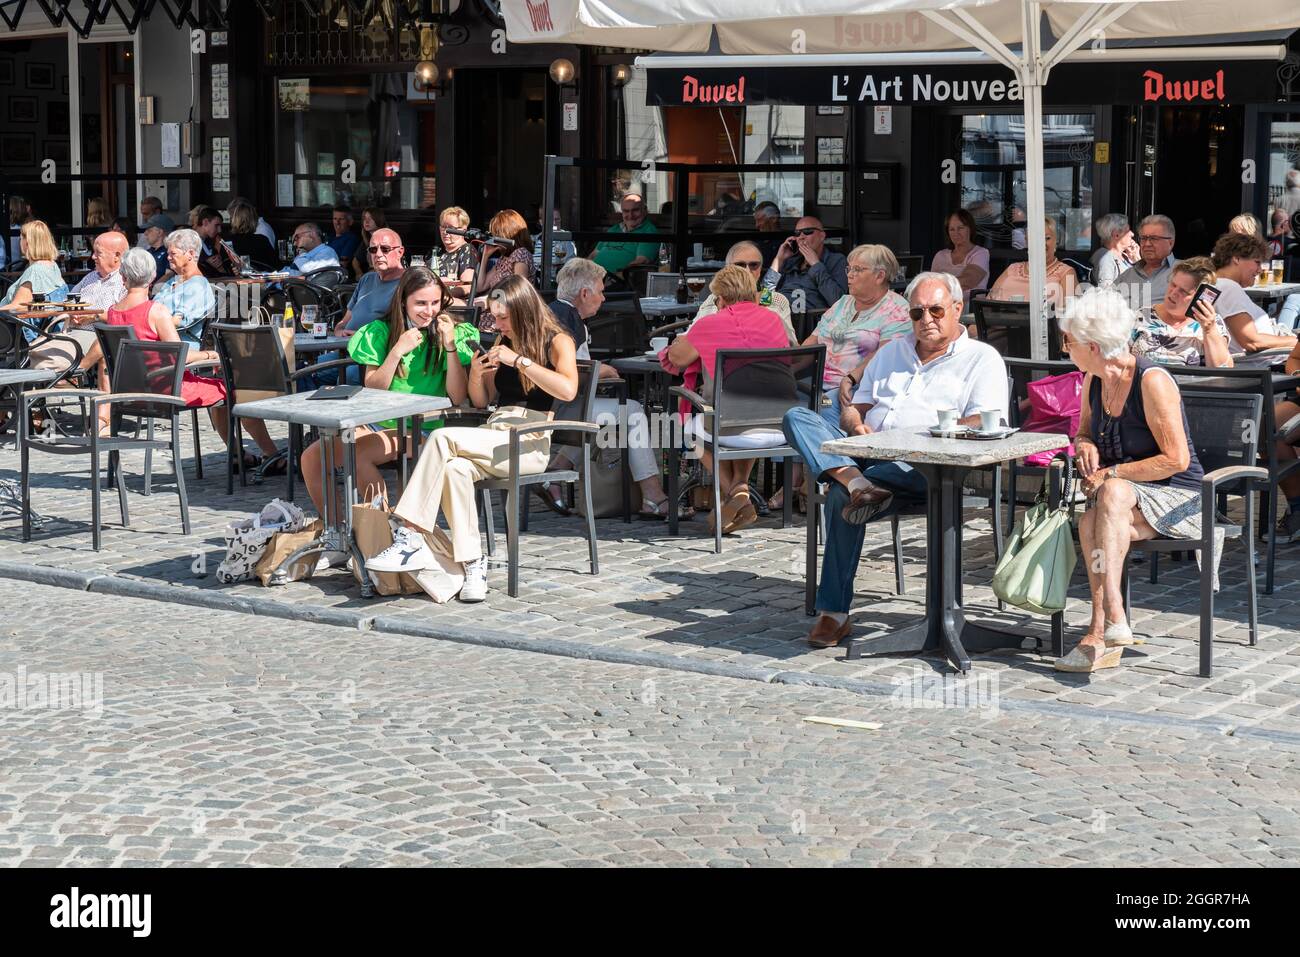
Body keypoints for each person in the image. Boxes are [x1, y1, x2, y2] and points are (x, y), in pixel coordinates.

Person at [781, 272, 1008, 649]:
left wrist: (927, 435)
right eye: (917, 313)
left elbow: (985, 421)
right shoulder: (892, 351)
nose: (926, 320)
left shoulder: (980, 359)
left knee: (840, 497)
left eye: (935, 310)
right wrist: (854, 422)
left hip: (926, 465)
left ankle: (833, 613)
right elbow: (857, 408)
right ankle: (857, 482)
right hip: (866, 454)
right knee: (798, 418)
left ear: (957, 308)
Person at [366, 276, 581, 602]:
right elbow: (481, 402)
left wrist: (520, 362)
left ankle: (409, 532)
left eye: (503, 317)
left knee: (440, 438)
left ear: (523, 310)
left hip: (530, 438)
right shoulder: (502, 342)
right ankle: (473, 566)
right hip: (494, 431)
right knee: (455, 470)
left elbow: (567, 389)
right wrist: (479, 375)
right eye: (494, 316)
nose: (497, 324)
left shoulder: (557, 340)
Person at [1055, 287, 1209, 673]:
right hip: (1121, 505)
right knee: (1092, 519)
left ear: (1091, 345)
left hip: (1180, 499)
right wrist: (1085, 444)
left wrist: (1111, 472)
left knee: (1110, 494)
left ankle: (1105, 620)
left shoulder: (1151, 380)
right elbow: (1084, 433)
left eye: (1067, 341)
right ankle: (1105, 625)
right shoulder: (1093, 380)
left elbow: (1176, 459)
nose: (1064, 349)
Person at [301, 268, 480, 565]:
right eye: (421, 304)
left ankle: (381, 538)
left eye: (435, 303)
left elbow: (458, 397)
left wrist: (448, 346)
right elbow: (374, 388)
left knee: (357, 455)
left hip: (426, 426)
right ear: (404, 302)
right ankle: (340, 534)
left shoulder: (453, 333)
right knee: (311, 457)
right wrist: (396, 351)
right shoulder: (381, 332)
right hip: (379, 421)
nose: (430, 311)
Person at [95, 248, 277, 462]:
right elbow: (181, 355)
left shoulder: (114, 312)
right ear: (153, 277)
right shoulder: (155, 311)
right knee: (233, 389)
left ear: (123, 276)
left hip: (132, 391)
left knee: (220, 389)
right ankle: (268, 453)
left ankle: (239, 454)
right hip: (167, 389)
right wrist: (212, 355)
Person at [661, 265, 792, 536]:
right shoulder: (773, 320)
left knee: (692, 426)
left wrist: (677, 344)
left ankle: (731, 491)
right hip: (780, 427)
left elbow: (676, 359)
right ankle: (741, 488)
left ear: (719, 298)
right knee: (747, 410)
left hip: (730, 427)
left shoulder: (708, 324)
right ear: (753, 295)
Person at [539, 257, 674, 518]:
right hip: (559, 409)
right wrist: (602, 371)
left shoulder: (554, 311)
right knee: (632, 412)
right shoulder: (569, 320)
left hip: (547, 406)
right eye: (600, 292)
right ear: (584, 293)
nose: (603, 299)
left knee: (603, 417)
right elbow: (574, 370)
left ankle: (554, 474)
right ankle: (654, 495)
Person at [805, 244, 913, 431]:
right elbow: (811, 344)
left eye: (858, 269)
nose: (849, 275)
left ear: (879, 276)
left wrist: (851, 378)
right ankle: (798, 461)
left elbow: (884, 354)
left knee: (820, 407)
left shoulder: (897, 309)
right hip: (815, 383)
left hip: (857, 388)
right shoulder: (843, 303)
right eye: (849, 269)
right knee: (780, 401)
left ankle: (835, 459)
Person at [27, 231, 130, 375]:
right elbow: (69, 300)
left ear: (117, 256)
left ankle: (62, 384)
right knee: (36, 349)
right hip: (69, 331)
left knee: (51, 358)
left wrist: (92, 317)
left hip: (97, 336)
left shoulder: (124, 281)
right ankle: (54, 386)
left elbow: (126, 317)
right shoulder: (90, 277)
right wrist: (71, 311)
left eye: (98, 253)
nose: (92, 257)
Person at [1131, 257, 1232, 369]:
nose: (1173, 293)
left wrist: (1209, 329)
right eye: (1173, 285)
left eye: (1183, 291)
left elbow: (1224, 368)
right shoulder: (1141, 316)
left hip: (1195, 385)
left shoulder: (1212, 323)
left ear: (1200, 297)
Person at [691, 242, 797, 346]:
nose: (747, 271)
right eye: (740, 265)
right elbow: (689, 336)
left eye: (754, 265)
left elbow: (792, 345)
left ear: (760, 268)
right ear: (727, 269)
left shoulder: (772, 298)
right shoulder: (715, 298)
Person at [1210, 231, 1297, 355]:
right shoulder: (1228, 288)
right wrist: (1295, 341)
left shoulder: (1220, 284)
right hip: (1265, 366)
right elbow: (1251, 341)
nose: (1260, 270)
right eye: (1257, 262)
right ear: (1236, 258)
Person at [762, 215, 849, 313]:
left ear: (822, 236)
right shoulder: (790, 262)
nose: (801, 237)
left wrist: (816, 265)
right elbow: (765, 298)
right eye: (797, 233)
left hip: (811, 323)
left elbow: (838, 302)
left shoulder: (836, 260)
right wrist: (779, 259)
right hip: (780, 319)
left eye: (808, 232)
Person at [988, 217, 1078, 311]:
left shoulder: (1066, 272)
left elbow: (1068, 315)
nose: (1041, 243)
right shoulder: (1012, 268)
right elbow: (988, 303)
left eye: (1047, 238)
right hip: (999, 324)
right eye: (1035, 238)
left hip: (1043, 326)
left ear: (1056, 242)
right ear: (1027, 242)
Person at [151, 229, 216, 345]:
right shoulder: (172, 282)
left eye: (173, 253)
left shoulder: (198, 285)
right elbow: (152, 308)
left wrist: (147, 326)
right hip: (158, 343)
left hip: (179, 349)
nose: (168, 258)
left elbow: (178, 321)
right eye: (168, 253)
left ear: (190, 254)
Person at [336, 228, 405, 335]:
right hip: (344, 345)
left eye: (385, 249)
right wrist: (339, 331)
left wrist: (360, 337)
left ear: (400, 252)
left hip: (375, 350)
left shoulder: (408, 283)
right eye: (373, 250)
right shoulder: (366, 279)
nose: (378, 254)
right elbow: (344, 322)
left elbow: (404, 331)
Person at [0, 221, 67, 324]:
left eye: (21, 238)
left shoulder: (35, 271)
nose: (19, 241)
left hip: (12, 332)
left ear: (27, 242)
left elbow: (18, 307)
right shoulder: (52, 266)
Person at [590, 192, 659, 284]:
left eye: (635, 210)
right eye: (626, 211)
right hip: (591, 278)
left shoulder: (649, 231)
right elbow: (593, 255)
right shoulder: (614, 229)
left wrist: (613, 278)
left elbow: (640, 263)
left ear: (645, 210)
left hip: (613, 282)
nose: (630, 215)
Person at [929, 209, 989, 308]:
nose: (955, 233)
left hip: (971, 312)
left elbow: (968, 281)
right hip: (940, 308)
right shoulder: (940, 255)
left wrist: (938, 287)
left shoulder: (981, 253)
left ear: (970, 229)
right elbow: (930, 284)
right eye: (951, 229)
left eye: (960, 228)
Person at [1116, 214, 1178, 307]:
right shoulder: (1127, 275)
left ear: (1170, 243)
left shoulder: (1185, 273)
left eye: (1154, 238)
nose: (1147, 244)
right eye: (1143, 238)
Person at [476, 209, 535, 304]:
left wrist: (488, 301)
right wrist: (485, 256)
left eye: (496, 234)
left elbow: (518, 291)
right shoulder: (503, 259)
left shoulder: (520, 254)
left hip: (507, 312)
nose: (494, 238)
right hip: (495, 308)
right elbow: (480, 287)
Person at [435, 206, 478, 303]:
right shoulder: (436, 253)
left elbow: (468, 286)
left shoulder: (467, 249)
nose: (445, 232)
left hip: (451, 304)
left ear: (463, 230)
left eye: (451, 228)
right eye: (443, 227)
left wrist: (441, 295)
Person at [226, 200, 279, 270]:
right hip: (260, 279)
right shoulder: (261, 240)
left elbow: (225, 266)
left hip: (233, 279)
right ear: (254, 220)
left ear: (233, 220)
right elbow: (276, 265)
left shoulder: (227, 242)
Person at [191, 206, 241, 279]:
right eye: (217, 225)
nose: (219, 230)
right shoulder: (189, 240)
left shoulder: (210, 241)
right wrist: (206, 264)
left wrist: (220, 266)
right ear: (205, 222)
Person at [1091, 213, 1138, 288]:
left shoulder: (1126, 255)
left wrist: (1136, 259)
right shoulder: (1106, 258)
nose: (1132, 234)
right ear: (1116, 235)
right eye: (1128, 230)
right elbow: (1106, 292)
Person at [350, 207, 387, 279]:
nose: (366, 221)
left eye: (370, 218)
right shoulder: (367, 238)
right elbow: (355, 261)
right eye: (364, 218)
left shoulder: (386, 238)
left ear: (378, 220)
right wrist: (359, 273)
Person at [140, 215, 172, 281]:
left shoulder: (170, 253)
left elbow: (169, 275)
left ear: (160, 232)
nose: (145, 233)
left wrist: (154, 289)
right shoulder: (146, 252)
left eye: (149, 230)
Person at [752, 200, 784, 264]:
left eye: (759, 220)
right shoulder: (757, 242)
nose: (756, 225)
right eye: (756, 221)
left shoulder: (785, 244)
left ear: (773, 219)